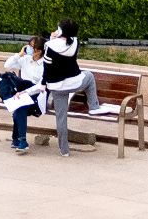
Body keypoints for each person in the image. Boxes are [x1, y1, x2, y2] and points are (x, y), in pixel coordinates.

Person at [43, 18, 103, 156]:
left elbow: (47, 67)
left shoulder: (50, 45)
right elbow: (67, 43)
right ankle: (93, 106)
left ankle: (64, 150)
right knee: (89, 76)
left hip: (56, 87)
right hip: (74, 83)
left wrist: (51, 39)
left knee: (61, 118)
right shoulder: (75, 42)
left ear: (61, 31)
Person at [0, 35, 48, 154]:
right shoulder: (26, 59)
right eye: (28, 45)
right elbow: (7, 65)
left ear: (39, 51)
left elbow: (41, 86)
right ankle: (19, 140)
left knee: (20, 108)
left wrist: (25, 92)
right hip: (21, 92)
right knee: (19, 106)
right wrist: (19, 54)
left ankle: (19, 140)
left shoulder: (45, 65)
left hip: (36, 94)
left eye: (32, 47)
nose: (28, 48)